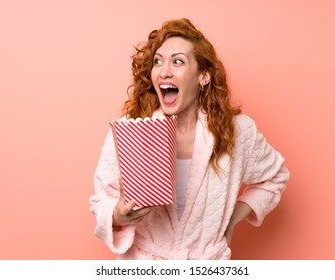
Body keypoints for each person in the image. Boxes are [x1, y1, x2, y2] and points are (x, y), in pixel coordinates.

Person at [89, 18, 290, 260]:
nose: (164, 71)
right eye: (158, 62)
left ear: (203, 77)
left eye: (178, 62)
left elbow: (276, 176)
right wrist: (118, 215)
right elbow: (101, 200)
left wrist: (232, 221)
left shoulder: (237, 131)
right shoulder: (127, 131)